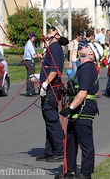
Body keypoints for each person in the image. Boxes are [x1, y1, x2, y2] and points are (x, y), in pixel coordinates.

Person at [55, 42, 104, 179]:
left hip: (84, 108)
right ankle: (70, 171)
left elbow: (83, 93)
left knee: (85, 141)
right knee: (71, 141)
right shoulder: (82, 68)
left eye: (85, 46)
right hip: (76, 107)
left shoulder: (88, 68)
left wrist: (69, 109)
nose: (82, 47)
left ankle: (85, 174)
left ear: (90, 53)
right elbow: (77, 89)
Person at [36, 24, 68, 162]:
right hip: (50, 88)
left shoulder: (55, 48)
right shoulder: (51, 48)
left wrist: (45, 84)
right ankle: (50, 150)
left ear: (58, 35)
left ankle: (59, 151)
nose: (50, 30)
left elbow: (54, 70)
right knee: (48, 120)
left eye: (53, 29)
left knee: (52, 120)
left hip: (51, 89)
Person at [24, 32, 39, 97]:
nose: (35, 38)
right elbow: (33, 56)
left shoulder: (28, 44)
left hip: (27, 61)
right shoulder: (30, 44)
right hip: (30, 61)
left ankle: (30, 90)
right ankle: (30, 91)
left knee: (29, 75)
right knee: (31, 76)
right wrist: (39, 56)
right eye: (34, 37)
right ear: (32, 37)